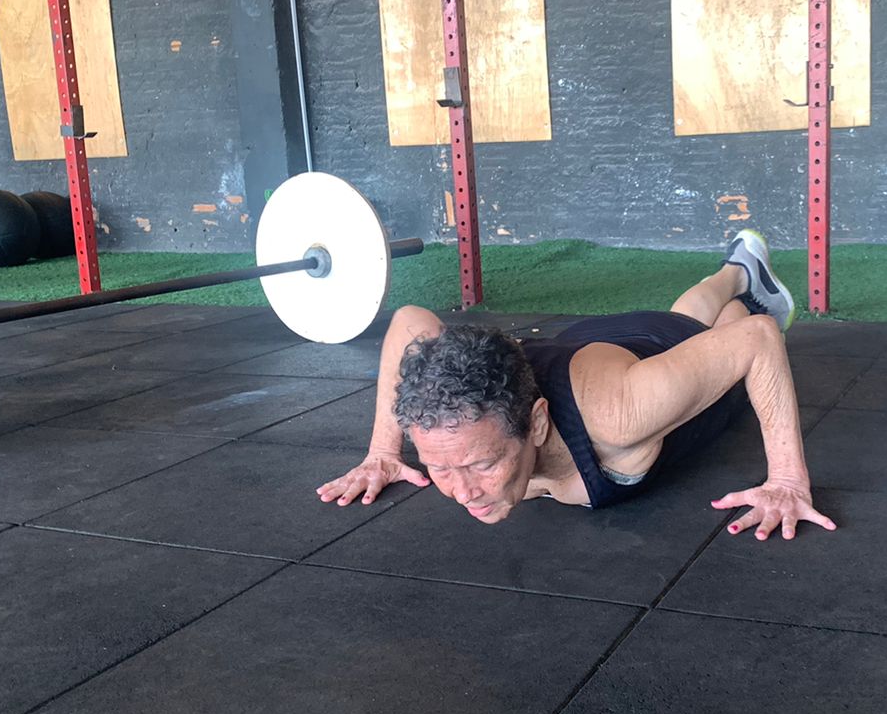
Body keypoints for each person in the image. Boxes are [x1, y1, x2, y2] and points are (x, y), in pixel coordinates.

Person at [317, 230, 836, 541]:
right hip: (586, 346)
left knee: (713, 329)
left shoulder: (620, 415)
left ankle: (738, 276)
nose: (463, 492)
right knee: (688, 326)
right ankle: (735, 271)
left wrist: (787, 482)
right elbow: (409, 319)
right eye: (441, 469)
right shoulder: (454, 423)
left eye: (482, 465)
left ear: (538, 422)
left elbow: (758, 340)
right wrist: (383, 452)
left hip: (640, 361)